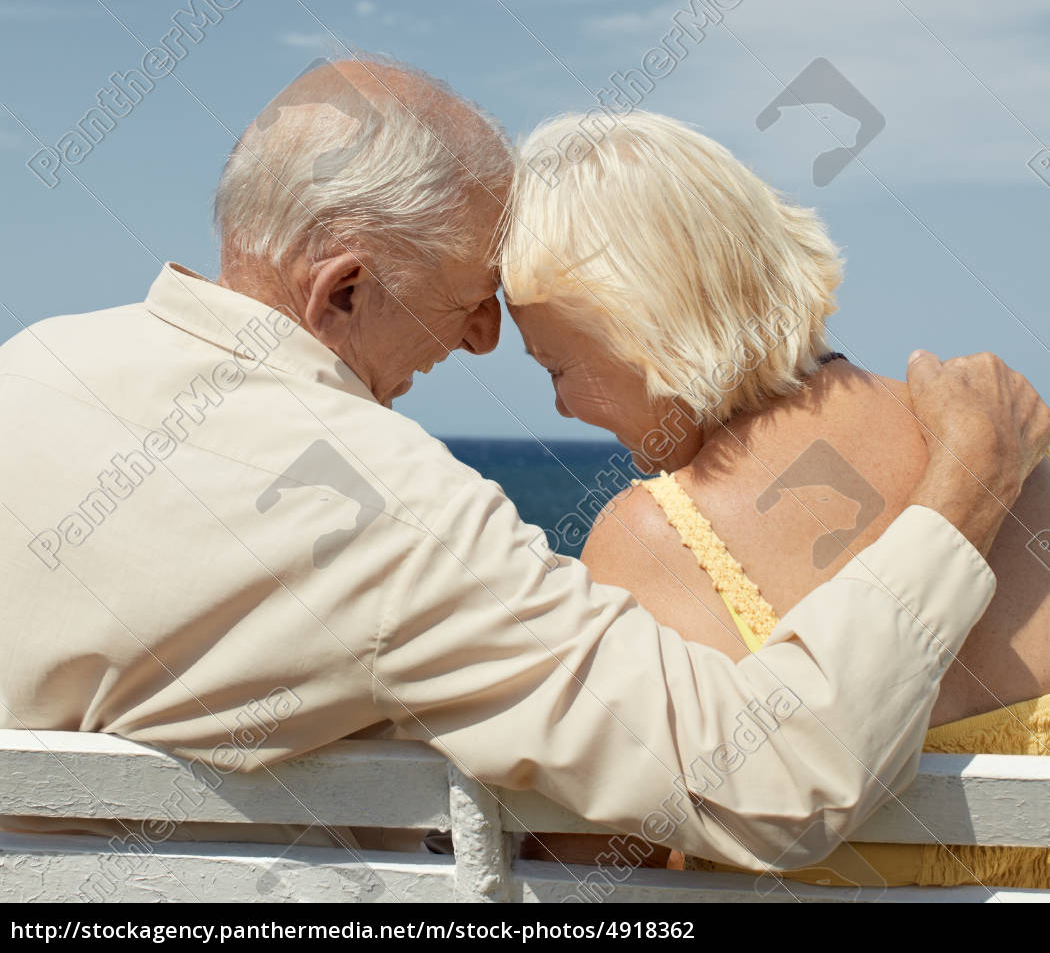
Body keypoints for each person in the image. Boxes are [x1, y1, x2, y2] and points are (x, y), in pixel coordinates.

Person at [1, 58, 1046, 879]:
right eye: (468, 301)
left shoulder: (30, 369)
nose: (481, 345)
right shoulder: (392, 510)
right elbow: (771, 779)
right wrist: (966, 489)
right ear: (348, 289)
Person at [501, 107, 1050, 886]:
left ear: (643, 324)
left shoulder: (657, 539)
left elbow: (591, 875)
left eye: (556, 366)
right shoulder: (1011, 447)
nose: (559, 407)